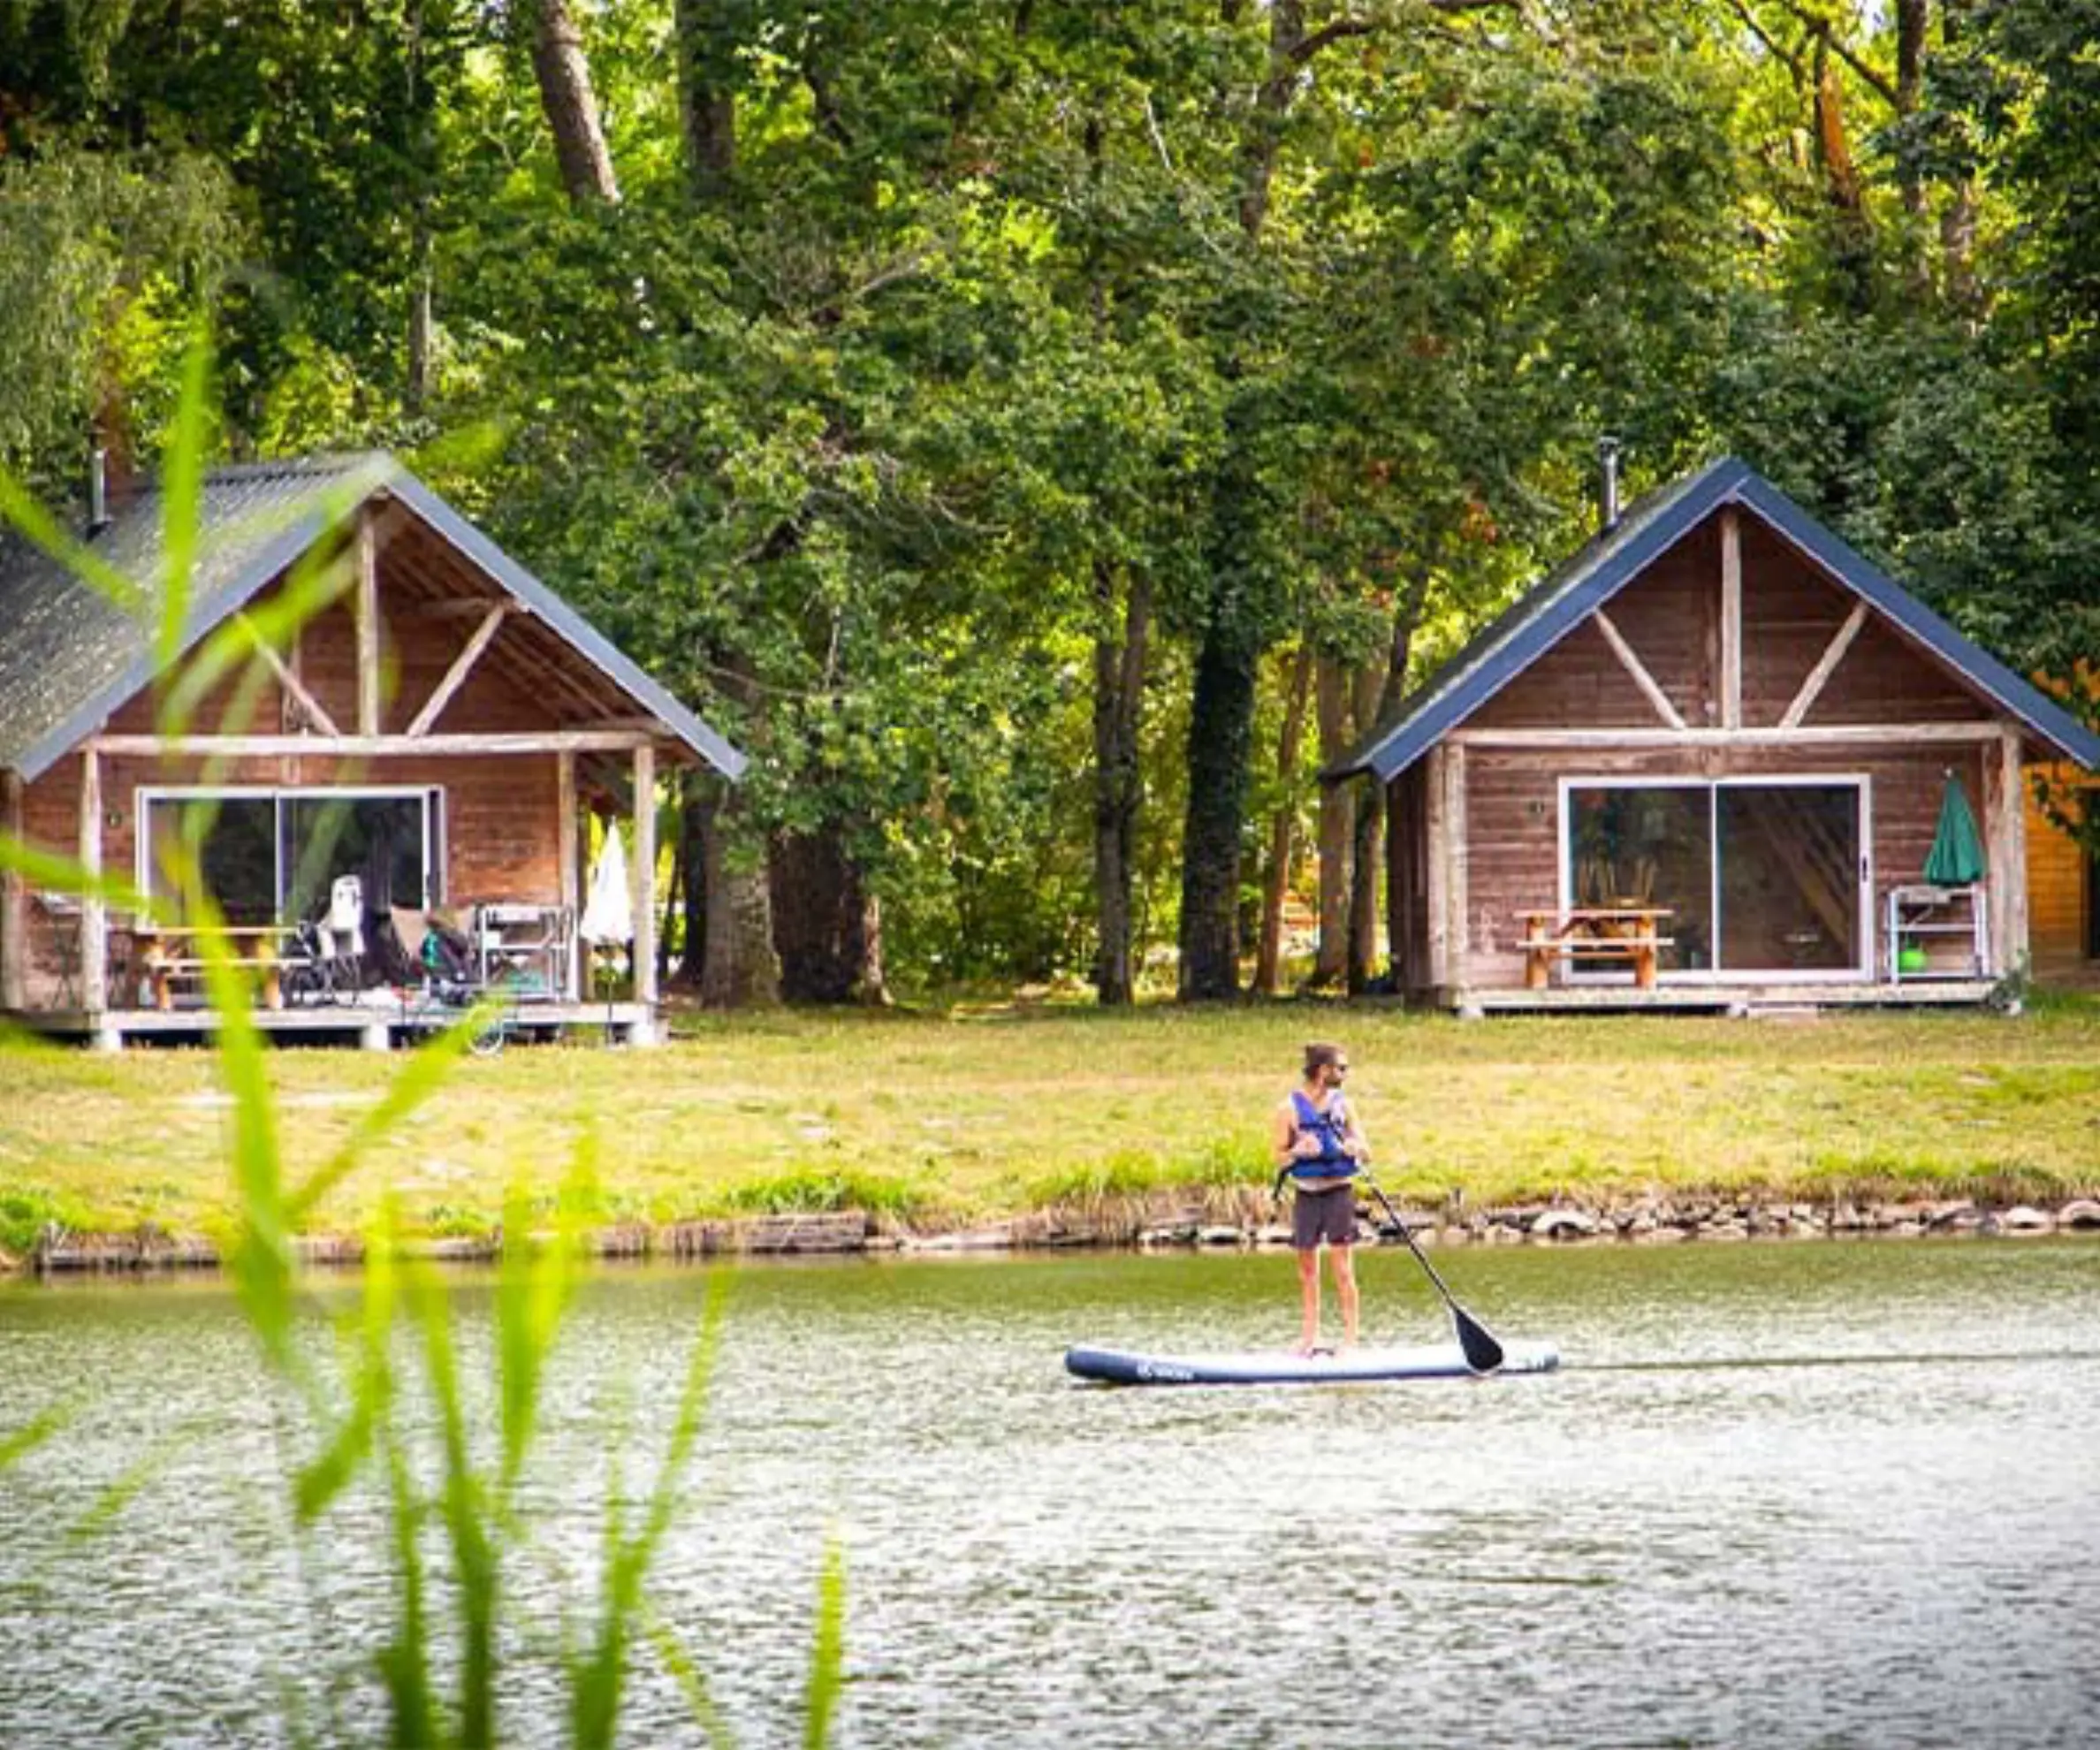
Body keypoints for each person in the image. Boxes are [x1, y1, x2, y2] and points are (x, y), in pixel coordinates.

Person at [1272, 1041, 1369, 1354]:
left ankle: (1350, 1340)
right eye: (1340, 1068)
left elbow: (1366, 1149)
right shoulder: (1287, 1109)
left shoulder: (1345, 1106)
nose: (1344, 1074)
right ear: (1322, 1071)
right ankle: (1309, 1338)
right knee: (1308, 1271)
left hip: (1339, 1191)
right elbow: (1278, 1157)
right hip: (1307, 1195)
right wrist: (1298, 1151)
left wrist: (1355, 1149)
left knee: (1342, 1269)